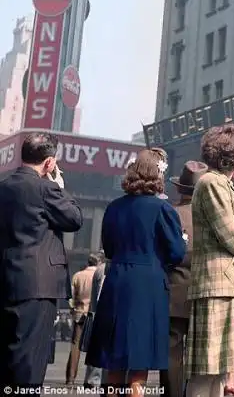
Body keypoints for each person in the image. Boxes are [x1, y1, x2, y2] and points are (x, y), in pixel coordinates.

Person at [85, 148, 186, 395]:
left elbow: (108, 247)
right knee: (139, 362)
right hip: (148, 283)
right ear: (159, 175)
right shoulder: (163, 210)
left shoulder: (114, 207)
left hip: (118, 280)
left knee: (114, 358)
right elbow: (176, 253)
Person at [185, 123, 234, 397]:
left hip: (226, 284)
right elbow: (229, 234)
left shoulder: (222, 185)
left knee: (219, 371)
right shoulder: (211, 183)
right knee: (206, 371)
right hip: (217, 285)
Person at [0, 132, 83, 388]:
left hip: (6, 281)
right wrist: (59, 185)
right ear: (49, 163)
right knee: (30, 361)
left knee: (7, 357)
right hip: (37, 285)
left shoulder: (3, 186)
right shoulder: (45, 188)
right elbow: (74, 219)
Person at [160, 161, 209, 397]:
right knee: (202, 352)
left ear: (180, 188)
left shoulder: (170, 213)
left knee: (171, 350)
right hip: (205, 291)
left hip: (174, 290)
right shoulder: (212, 216)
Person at [66, 254, 100, 384]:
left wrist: (73, 308)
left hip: (79, 313)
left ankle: (70, 377)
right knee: (95, 345)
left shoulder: (78, 275)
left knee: (75, 346)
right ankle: (91, 380)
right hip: (93, 314)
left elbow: (71, 296)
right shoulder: (98, 275)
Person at [82, 252, 107, 387]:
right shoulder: (105, 269)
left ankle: (92, 379)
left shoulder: (100, 269)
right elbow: (99, 294)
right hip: (102, 312)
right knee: (101, 348)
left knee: (96, 346)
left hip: (95, 311)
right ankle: (95, 380)